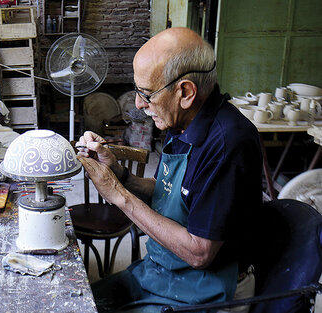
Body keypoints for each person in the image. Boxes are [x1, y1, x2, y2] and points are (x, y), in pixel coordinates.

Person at [76, 27, 262, 313]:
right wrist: (120, 175)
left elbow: (199, 253)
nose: (139, 104)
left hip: (205, 288)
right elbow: (171, 192)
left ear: (185, 92)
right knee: (78, 302)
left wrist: (118, 195)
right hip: (163, 272)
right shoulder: (183, 120)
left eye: (146, 94)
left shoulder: (227, 144)